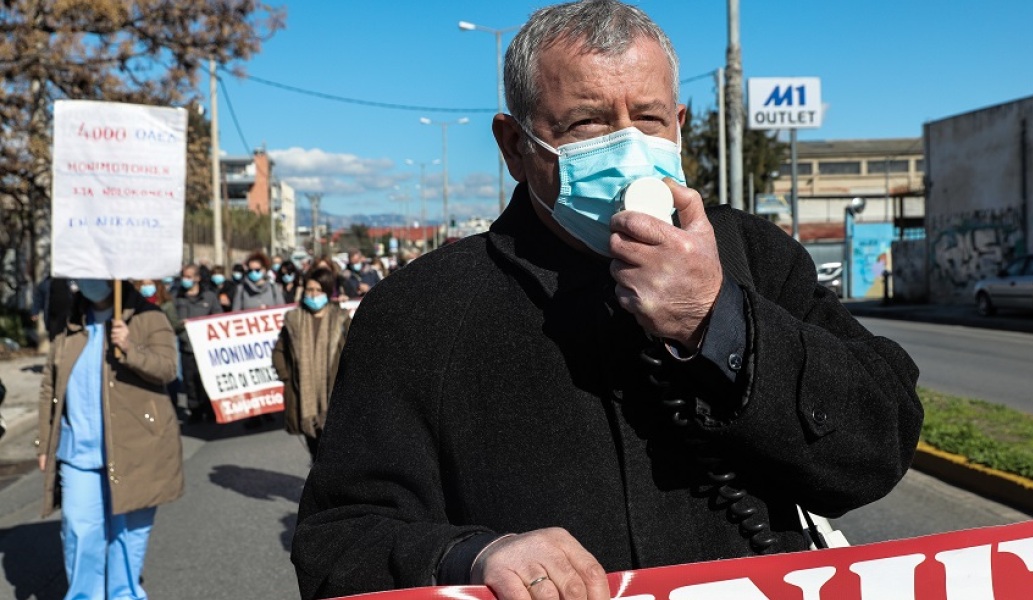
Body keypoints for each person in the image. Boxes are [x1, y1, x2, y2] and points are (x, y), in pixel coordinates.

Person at [290, 2, 923, 599]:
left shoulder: (754, 255)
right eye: (586, 123)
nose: (626, 146)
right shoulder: (421, 309)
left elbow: (878, 443)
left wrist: (717, 318)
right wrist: (472, 557)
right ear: (514, 146)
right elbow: (337, 544)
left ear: (677, 127)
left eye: (647, 119)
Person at [36, 279, 183, 600]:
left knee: (128, 534)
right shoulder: (70, 324)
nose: (87, 283)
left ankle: (124, 594)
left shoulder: (149, 317)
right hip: (79, 452)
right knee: (79, 530)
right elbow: (51, 385)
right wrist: (45, 441)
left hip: (138, 449)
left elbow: (168, 368)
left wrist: (130, 348)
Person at [271, 268, 352, 459]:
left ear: (328, 292)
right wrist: (286, 377)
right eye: (309, 290)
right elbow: (279, 351)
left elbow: (356, 353)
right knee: (315, 454)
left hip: (334, 398)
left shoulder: (341, 319)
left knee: (335, 455)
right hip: (304, 398)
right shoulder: (294, 319)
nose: (313, 294)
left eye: (318, 290)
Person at [174, 264, 224, 423]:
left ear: (197, 278)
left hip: (206, 347)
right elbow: (172, 320)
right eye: (184, 276)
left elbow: (218, 317)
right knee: (190, 380)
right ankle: (194, 409)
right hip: (187, 347)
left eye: (189, 276)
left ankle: (209, 409)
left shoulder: (209, 297)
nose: (185, 280)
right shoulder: (178, 297)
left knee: (205, 379)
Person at [137, 278, 182, 410]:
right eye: (143, 285)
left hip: (165, 341)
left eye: (150, 284)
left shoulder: (166, 304)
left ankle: (172, 403)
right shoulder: (137, 303)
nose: (146, 287)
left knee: (170, 373)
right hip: (144, 342)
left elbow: (174, 323)